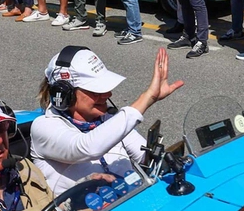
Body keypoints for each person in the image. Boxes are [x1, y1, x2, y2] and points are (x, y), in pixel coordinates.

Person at [31, 46, 183, 194]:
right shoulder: (43, 127)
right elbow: (87, 148)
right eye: (95, 90)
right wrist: (148, 98)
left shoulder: (108, 120)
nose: (107, 94)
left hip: (130, 206)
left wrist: (170, 160)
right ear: (63, 95)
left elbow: (148, 158)